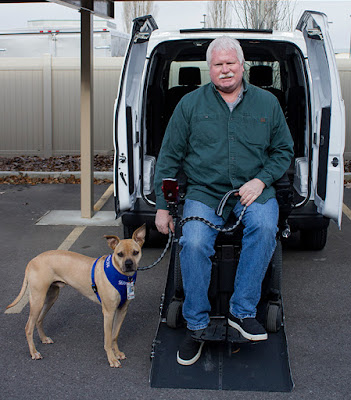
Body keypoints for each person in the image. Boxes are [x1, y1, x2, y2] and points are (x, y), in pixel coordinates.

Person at [154, 36, 294, 366]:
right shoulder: (189, 105)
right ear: (209, 69)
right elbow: (169, 156)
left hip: (254, 190)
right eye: (218, 64)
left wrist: (261, 180)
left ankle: (241, 312)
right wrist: (163, 205)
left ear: (242, 65)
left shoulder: (267, 104)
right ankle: (197, 324)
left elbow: (283, 150)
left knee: (263, 227)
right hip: (205, 191)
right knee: (195, 241)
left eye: (231, 63)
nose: (225, 69)